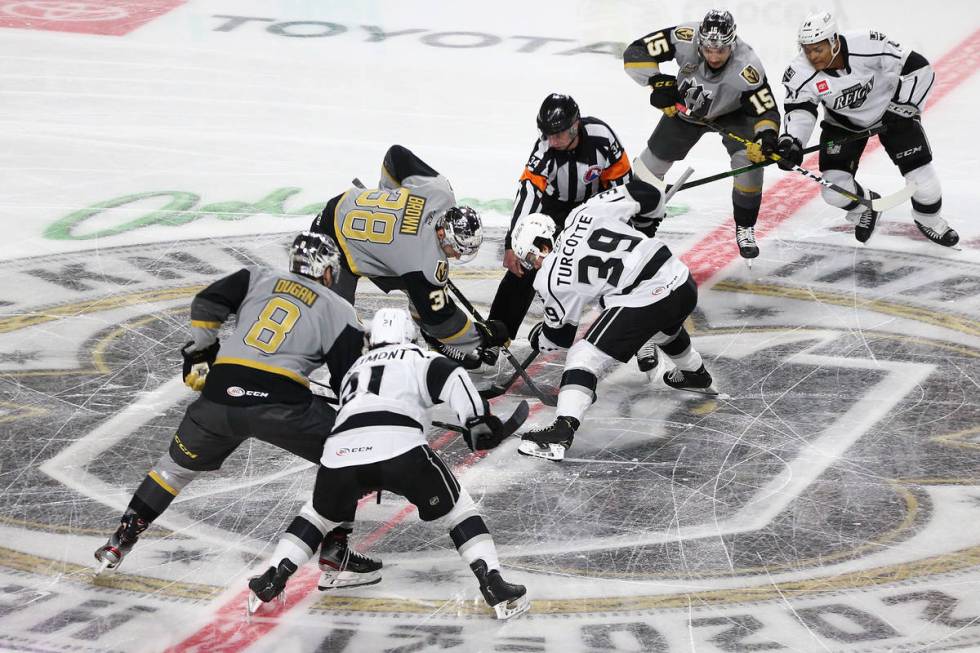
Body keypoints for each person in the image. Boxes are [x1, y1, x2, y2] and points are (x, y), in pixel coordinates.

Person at [94, 232, 381, 590]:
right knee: (347, 457)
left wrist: (201, 351)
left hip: (220, 395)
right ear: (327, 272)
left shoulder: (256, 277)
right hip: (282, 404)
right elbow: (348, 384)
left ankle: (120, 541)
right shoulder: (340, 309)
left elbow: (206, 304)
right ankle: (335, 551)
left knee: (173, 471)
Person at [246, 308, 530, 620]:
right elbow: (454, 379)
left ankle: (273, 576)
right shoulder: (419, 358)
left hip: (340, 452)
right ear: (410, 335)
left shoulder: (355, 368)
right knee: (458, 509)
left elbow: (333, 397)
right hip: (400, 448)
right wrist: (477, 421)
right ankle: (492, 582)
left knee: (316, 515)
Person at [511, 180, 716, 462]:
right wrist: (647, 223)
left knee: (584, 354)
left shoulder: (550, 276)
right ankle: (695, 373)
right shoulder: (584, 213)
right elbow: (648, 193)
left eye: (529, 260)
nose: (532, 265)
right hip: (680, 279)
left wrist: (538, 336)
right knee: (661, 325)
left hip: (645, 296)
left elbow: (559, 338)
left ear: (537, 249)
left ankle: (560, 432)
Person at [310, 144, 508, 369]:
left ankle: (432, 340)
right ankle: (354, 378)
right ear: (444, 233)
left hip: (347, 204)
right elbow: (440, 321)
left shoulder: (438, 191)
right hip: (331, 242)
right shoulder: (423, 262)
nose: (454, 257)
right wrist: (482, 336)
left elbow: (395, 155)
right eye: (456, 250)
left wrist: (388, 193)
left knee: (419, 291)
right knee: (341, 325)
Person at [770, 12, 958, 247]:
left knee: (927, 187)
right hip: (842, 125)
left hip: (892, 115)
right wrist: (792, 141)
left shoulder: (868, 43)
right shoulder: (799, 72)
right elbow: (800, 111)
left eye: (817, 49)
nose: (811, 56)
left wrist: (903, 108)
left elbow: (920, 69)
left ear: (834, 42)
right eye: (806, 49)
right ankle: (865, 206)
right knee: (834, 191)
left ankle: (928, 219)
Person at [483, 93, 632, 365]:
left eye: (557, 134)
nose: (551, 141)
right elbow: (528, 193)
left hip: (596, 209)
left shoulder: (602, 136)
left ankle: (634, 335)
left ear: (575, 125)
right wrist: (511, 244)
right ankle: (494, 338)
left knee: (609, 269)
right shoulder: (544, 148)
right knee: (523, 267)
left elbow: (622, 187)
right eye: (546, 134)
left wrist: (626, 228)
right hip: (554, 210)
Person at [623, 9, 781, 260]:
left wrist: (766, 138)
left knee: (749, 165)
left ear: (732, 43)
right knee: (649, 167)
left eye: (721, 50)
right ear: (700, 42)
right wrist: (657, 81)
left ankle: (745, 226)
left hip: (735, 114)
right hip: (689, 109)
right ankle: (640, 222)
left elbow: (767, 110)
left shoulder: (748, 67)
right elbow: (634, 51)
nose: (714, 56)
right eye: (708, 49)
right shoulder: (685, 36)